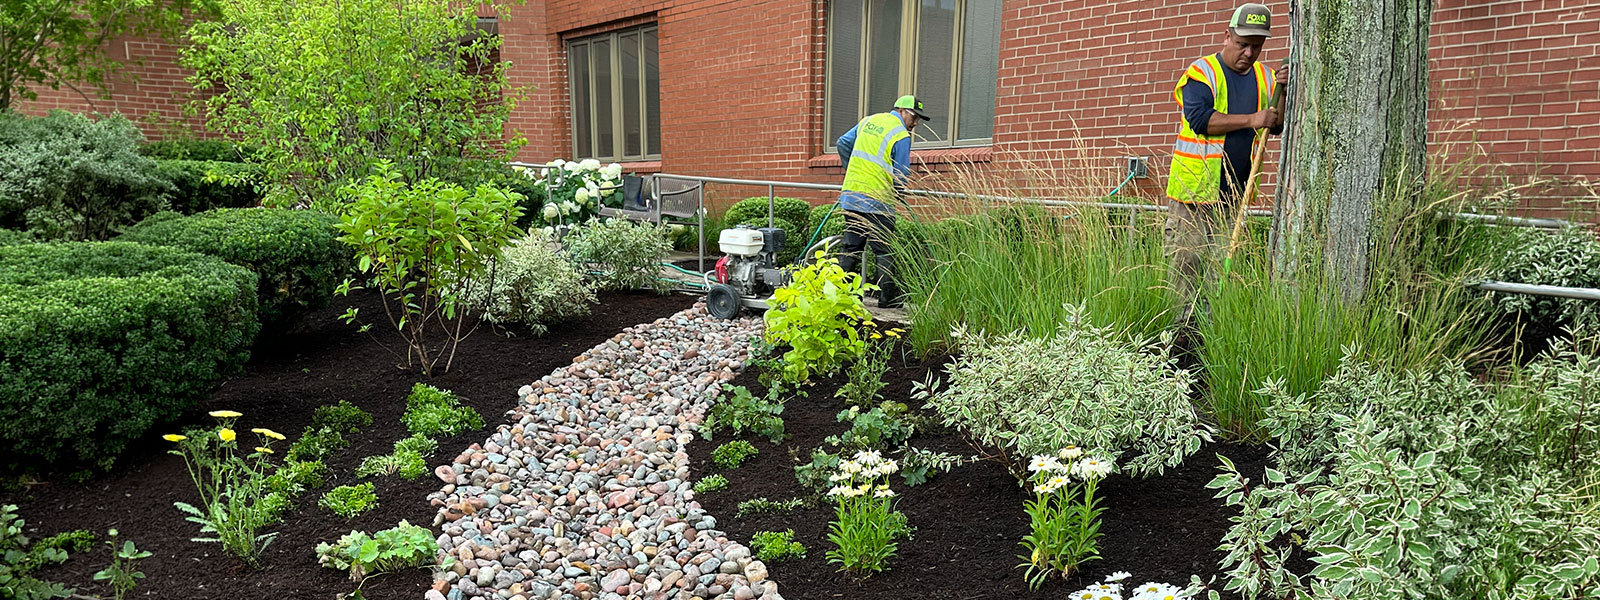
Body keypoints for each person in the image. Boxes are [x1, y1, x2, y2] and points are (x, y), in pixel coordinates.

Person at [1165, 2, 1288, 332]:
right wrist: (1252, 119)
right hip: (1193, 196)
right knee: (1185, 267)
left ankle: (1209, 339)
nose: (1249, 53)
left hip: (1233, 198)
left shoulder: (1266, 78)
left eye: (1256, 46)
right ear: (1227, 36)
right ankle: (1178, 341)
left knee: (1220, 274)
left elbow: (1274, 125)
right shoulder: (1202, 72)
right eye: (1242, 44)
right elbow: (1200, 119)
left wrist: (1282, 92)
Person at [833, 94, 930, 309]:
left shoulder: (868, 121)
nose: (915, 123)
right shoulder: (900, 134)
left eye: (918, 119)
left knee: (851, 247)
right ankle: (887, 298)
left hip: (852, 194)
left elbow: (842, 143)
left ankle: (844, 297)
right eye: (914, 117)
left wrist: (852, 170)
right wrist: (898, 192)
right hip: (878, 198)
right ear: (901, 111)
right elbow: (901, 172)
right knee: (884, 248)